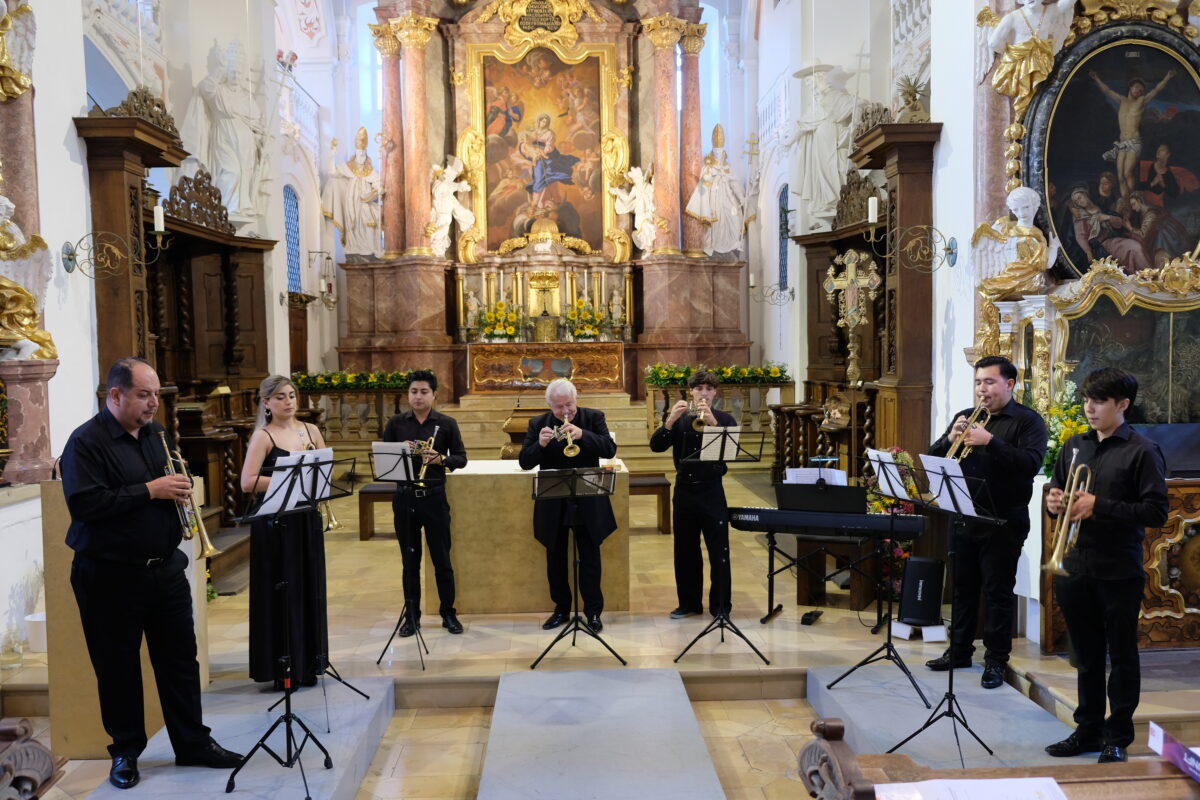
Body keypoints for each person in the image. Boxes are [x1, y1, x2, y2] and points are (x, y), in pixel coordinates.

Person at [61, 357, 242, 790]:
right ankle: (125, 752)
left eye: (155, 395)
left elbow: (166, 486)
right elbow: (86, 505)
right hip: (108, 576)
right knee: (117, 666)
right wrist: (151, 490)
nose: (152, 405)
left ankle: (192, 743)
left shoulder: (156, 435)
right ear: (116, 395)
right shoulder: (85, 443)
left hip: (164, 571)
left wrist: (177, 489)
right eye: (144, 395)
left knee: (180, 660)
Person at [1044, 368, 1168, 764]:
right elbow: (1058, 490)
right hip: (1076, 565)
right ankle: (1088, 730)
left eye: (1099, 401)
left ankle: (1119, 737)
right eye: (1086, 399)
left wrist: (1100, 505)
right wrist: (1053, 503)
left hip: (1117, 570)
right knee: (1087, 656)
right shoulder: (1074, 446)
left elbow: (1156, 511)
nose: (1089, 407)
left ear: (1123, 405)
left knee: (1122, 656)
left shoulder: (1142, 450)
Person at [925, 356, 1047, 689]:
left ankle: (995, 661)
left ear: (1010, 384)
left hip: (1003, 520)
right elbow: (934, 460)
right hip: (964, 516)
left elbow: (1030, 465)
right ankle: (960, 651)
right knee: (963, 590)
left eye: (989, 382)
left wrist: (991, 442)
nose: (982, 389)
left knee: (997, 593)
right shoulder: (966, 417)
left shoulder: (1028, 422)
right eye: (979, 382)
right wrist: (950, 439)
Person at [239, 375, 329, 689]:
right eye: (279, 397)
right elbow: (247, 482)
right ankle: (283, 668)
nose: (288, 402)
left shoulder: (311, 431)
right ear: (266, 403)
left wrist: (312, 480)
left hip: (305, 519)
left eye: (291, 395)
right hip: (276, 523)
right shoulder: (263, 436)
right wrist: (290, 479)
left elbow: (323, 473)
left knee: (308, 585)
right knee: (282, 590)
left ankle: (309, 663)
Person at [519, 378, 618, 632]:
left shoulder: (593, 418)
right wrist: (540, 445)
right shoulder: (537, 424)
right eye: (559, 407)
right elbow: (525, 462)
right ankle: (561, 609)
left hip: (588, 499)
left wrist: (583, 435)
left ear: (576, 400)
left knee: (590, 558)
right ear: (550, 405)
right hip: (554, 502)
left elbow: (609, 448)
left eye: (569, 406)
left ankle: (593, 612)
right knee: (556, 559)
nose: (565, 412)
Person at [382, 370, 467, 636]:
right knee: (410, 562)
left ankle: (448, 614)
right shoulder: (396, 424)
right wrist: (401, 452)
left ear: (434, 395)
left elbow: (462, 459)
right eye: (413, 392)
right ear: (408, 394)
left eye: (423, 392)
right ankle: (412, 617)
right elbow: (385, 461)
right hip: (405, 497)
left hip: (434, 497)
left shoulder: (447, 423)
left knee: (442, 559)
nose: (418, 397)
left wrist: (440, 459)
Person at [649, 370, 738, 619]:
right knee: (685, 550)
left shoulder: (725, 418)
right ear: (691, 392)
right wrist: (668, 421)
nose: (704, 393)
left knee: (719, 551)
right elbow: (656, 446)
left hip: (711, 490)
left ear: (715, 392)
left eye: (709, 389)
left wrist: (713, 424)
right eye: (699, 389)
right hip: (685, 491)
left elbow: (730, 453)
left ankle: (721, 607)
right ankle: (689, 604)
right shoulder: (680, 418)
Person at [1091, 69, 1177, 197]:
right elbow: (1107, 91)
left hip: (1134, 142)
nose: (1139, 91)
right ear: (1130, 87)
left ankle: (1131, 200)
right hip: (1122, 143)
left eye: (1141, 90)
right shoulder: (1122, 100)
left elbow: (1156, 90)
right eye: (1137, 87)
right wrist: (1096, 78)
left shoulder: (1141, 101)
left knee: (1127, 173)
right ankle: (1126, 202)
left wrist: (1167, 77)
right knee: (1120, 176)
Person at [321, 127, 382, 261]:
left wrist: (375, 192)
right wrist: (332, 153)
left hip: (365, 200)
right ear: (355, 153)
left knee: (367, 221)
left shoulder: (370, 170)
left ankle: (369, 247)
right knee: (352, 224)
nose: (361, 156)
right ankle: (354, 246)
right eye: (359, 153)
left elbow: (378, 183)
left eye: (363, 154)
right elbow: (332, 173)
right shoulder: (347, 167)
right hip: (351, 201)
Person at [684, 124, 746, 256]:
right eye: (716, 151)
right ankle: (715, 246)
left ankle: (734, 244)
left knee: (734, 222)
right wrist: (708, 177)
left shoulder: (728, 166)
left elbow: (734, 183)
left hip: (728, 197)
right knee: (716, 224)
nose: (718, 153)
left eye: (720, 150)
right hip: (714, 198)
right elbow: (703, 185)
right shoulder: (707, 165)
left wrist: (742, 199)